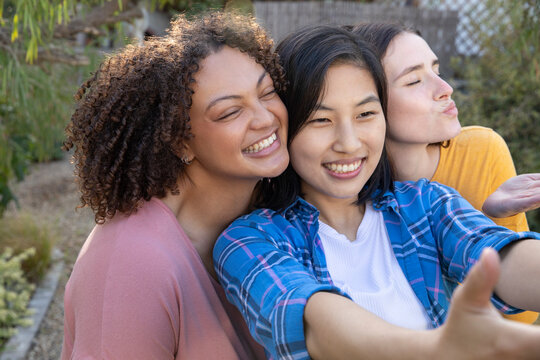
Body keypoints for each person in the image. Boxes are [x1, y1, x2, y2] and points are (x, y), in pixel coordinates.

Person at [213, 25, 540, 360]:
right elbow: (312, 322)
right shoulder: (248, 241)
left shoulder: (426, 205)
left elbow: (493, 249)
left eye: (366, 114)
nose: (350, 143)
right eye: (320, 120)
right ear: (286, 127)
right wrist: (439, 349)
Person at [60, 11, 289, 359]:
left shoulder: (277, 213)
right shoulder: (132, 265)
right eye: (230, 112)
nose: (265, 118)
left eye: (267, 92)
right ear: (180, 141)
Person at [348, 22, 537, 324]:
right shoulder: (346, 190)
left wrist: (496, 218)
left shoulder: (482, 150)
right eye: (414, 81)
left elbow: (521, 316)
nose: (445, 89)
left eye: (436, 70)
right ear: (367, 106)